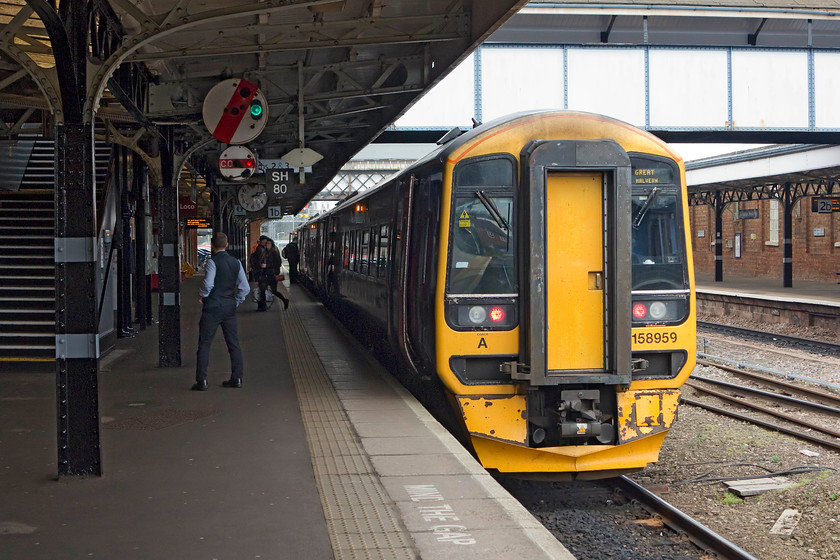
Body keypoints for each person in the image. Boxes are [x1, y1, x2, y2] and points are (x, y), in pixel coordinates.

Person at [192, 231, 251, 391]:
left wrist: (202, 295)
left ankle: (202, 381)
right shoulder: (236, 262)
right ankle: (237, 378)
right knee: (233, 344)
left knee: (204, 344)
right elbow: (245, 288)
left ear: (212, 245)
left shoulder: (212, 262)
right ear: (227, 245)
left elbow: (209, 283)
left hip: (212, 308)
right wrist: (235, 302)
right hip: (229, 307)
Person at [258, 238, 289, 310]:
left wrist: (267, 265)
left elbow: (278, 263)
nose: (267, 245)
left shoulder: (274, 252)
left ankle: (284, 300)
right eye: (266, 244)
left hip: (272, 274)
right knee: (262, 289)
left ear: (272, 244)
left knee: (274, 291)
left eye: (268, 244)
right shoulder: (264, 252)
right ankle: (263, 306)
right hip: (264, 274)